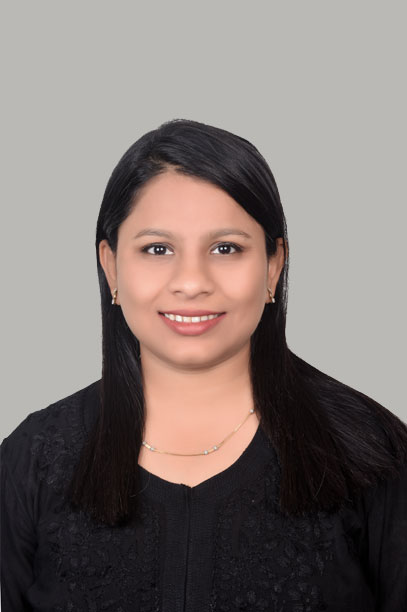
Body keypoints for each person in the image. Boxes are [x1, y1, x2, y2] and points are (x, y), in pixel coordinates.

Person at [1, 118, 407, 612]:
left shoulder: (371, 453)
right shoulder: (32, 460)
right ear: (110, 266)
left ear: (273, 265)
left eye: (225, 248)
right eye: (157, 249)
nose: (191, 282)